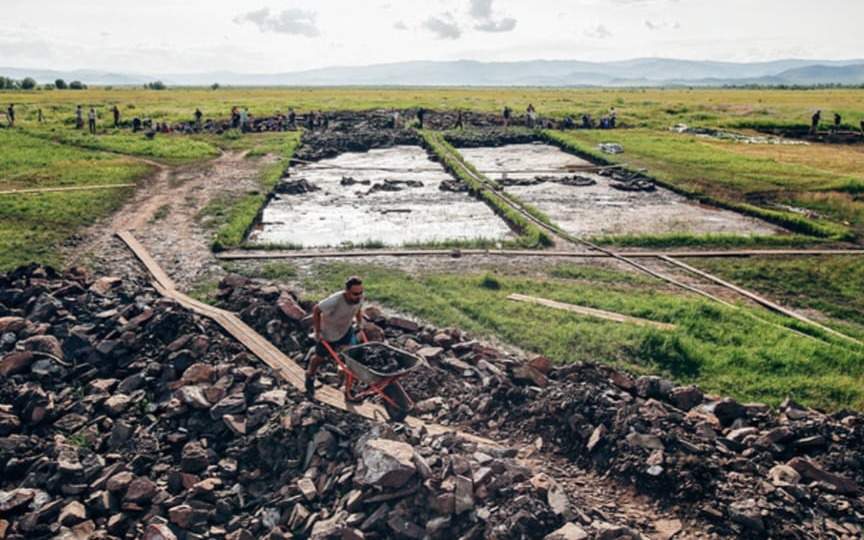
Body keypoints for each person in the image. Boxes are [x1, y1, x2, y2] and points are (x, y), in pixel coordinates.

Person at [305, 276, 366, 399]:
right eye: (355, 294)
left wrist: (359, 322)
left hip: (345, 330)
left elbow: (358, 307)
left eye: (360, 293)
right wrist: (317, 332)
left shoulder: (358, 298)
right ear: (347, 291)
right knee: (319, 358)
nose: (358, 296)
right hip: (329, 333)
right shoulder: (335, 300)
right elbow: (316, 310)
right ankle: (310, 375)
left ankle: (348, 391)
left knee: (351, 360)